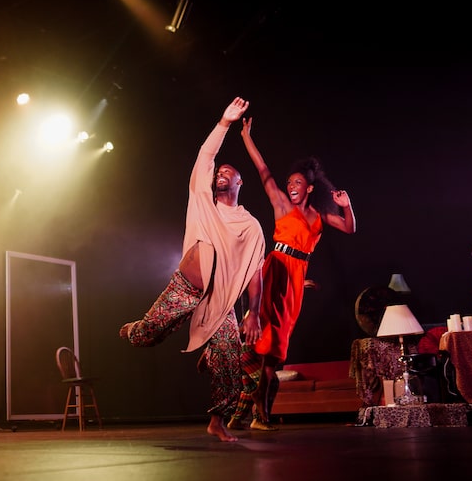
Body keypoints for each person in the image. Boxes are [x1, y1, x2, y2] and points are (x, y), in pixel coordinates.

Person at [119, 97, 265, 442]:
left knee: (232, 358)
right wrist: (225, 123)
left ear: (240, 183)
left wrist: (254, 313)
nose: (220, 174)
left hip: (218, 301)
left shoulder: (250, 225)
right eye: (219, 172)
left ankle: (217, 420)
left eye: (229, 173)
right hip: (185, 288)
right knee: (146, 338)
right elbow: (205, 156)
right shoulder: (202, 202)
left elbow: (254, 271)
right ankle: (134, 329)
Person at [227, 117, 355, 431]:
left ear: (309, 188)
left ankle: (255, 413)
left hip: (295, 280)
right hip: (275, 271)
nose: (291, 187)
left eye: (297, 183)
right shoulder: (282, 205)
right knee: (264, 342)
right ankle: (258, 412)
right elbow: (263, 171)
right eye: (290, 183)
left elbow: (350, 228)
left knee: (276, 353)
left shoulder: (322, 215)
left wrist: (347, 205)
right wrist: (246, 137)